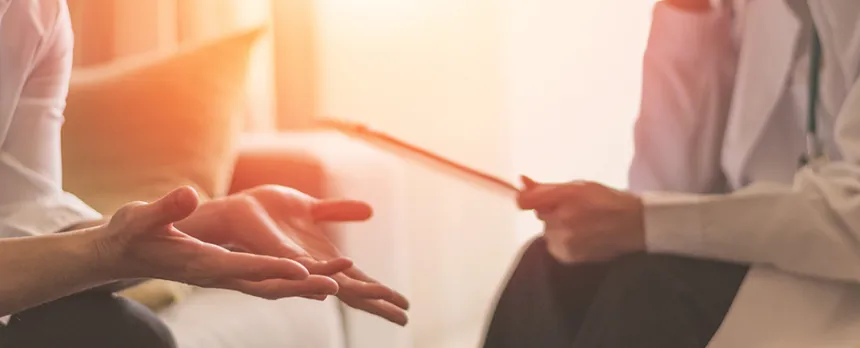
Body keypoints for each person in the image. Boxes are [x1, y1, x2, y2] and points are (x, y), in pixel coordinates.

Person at [0, 0, 408, 347]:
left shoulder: (35, 11)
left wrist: (209, 221)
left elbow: (23, 215)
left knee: (115, 331)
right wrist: (103, 253)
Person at [483, 0, 860, 347]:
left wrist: (647, 221)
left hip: (838, 279)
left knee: (647, 291)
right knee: (550, 267)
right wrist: (688, 13)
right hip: (767, 255)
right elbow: (669, 183)